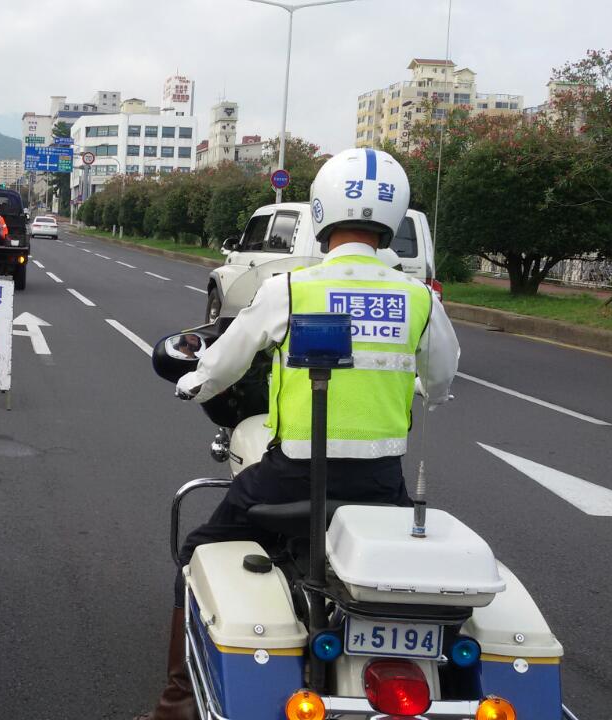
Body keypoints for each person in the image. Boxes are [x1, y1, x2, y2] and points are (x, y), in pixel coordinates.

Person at [134, 148, 460, 720]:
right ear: (393, 219)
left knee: (197, 552)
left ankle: (176, 703)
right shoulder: (418, 299)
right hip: (381, 486)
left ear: (320, 211)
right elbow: (440, 380)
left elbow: (226, 364)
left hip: (288, 479)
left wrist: (192, 385)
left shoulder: (291, 289)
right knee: (419, 585)